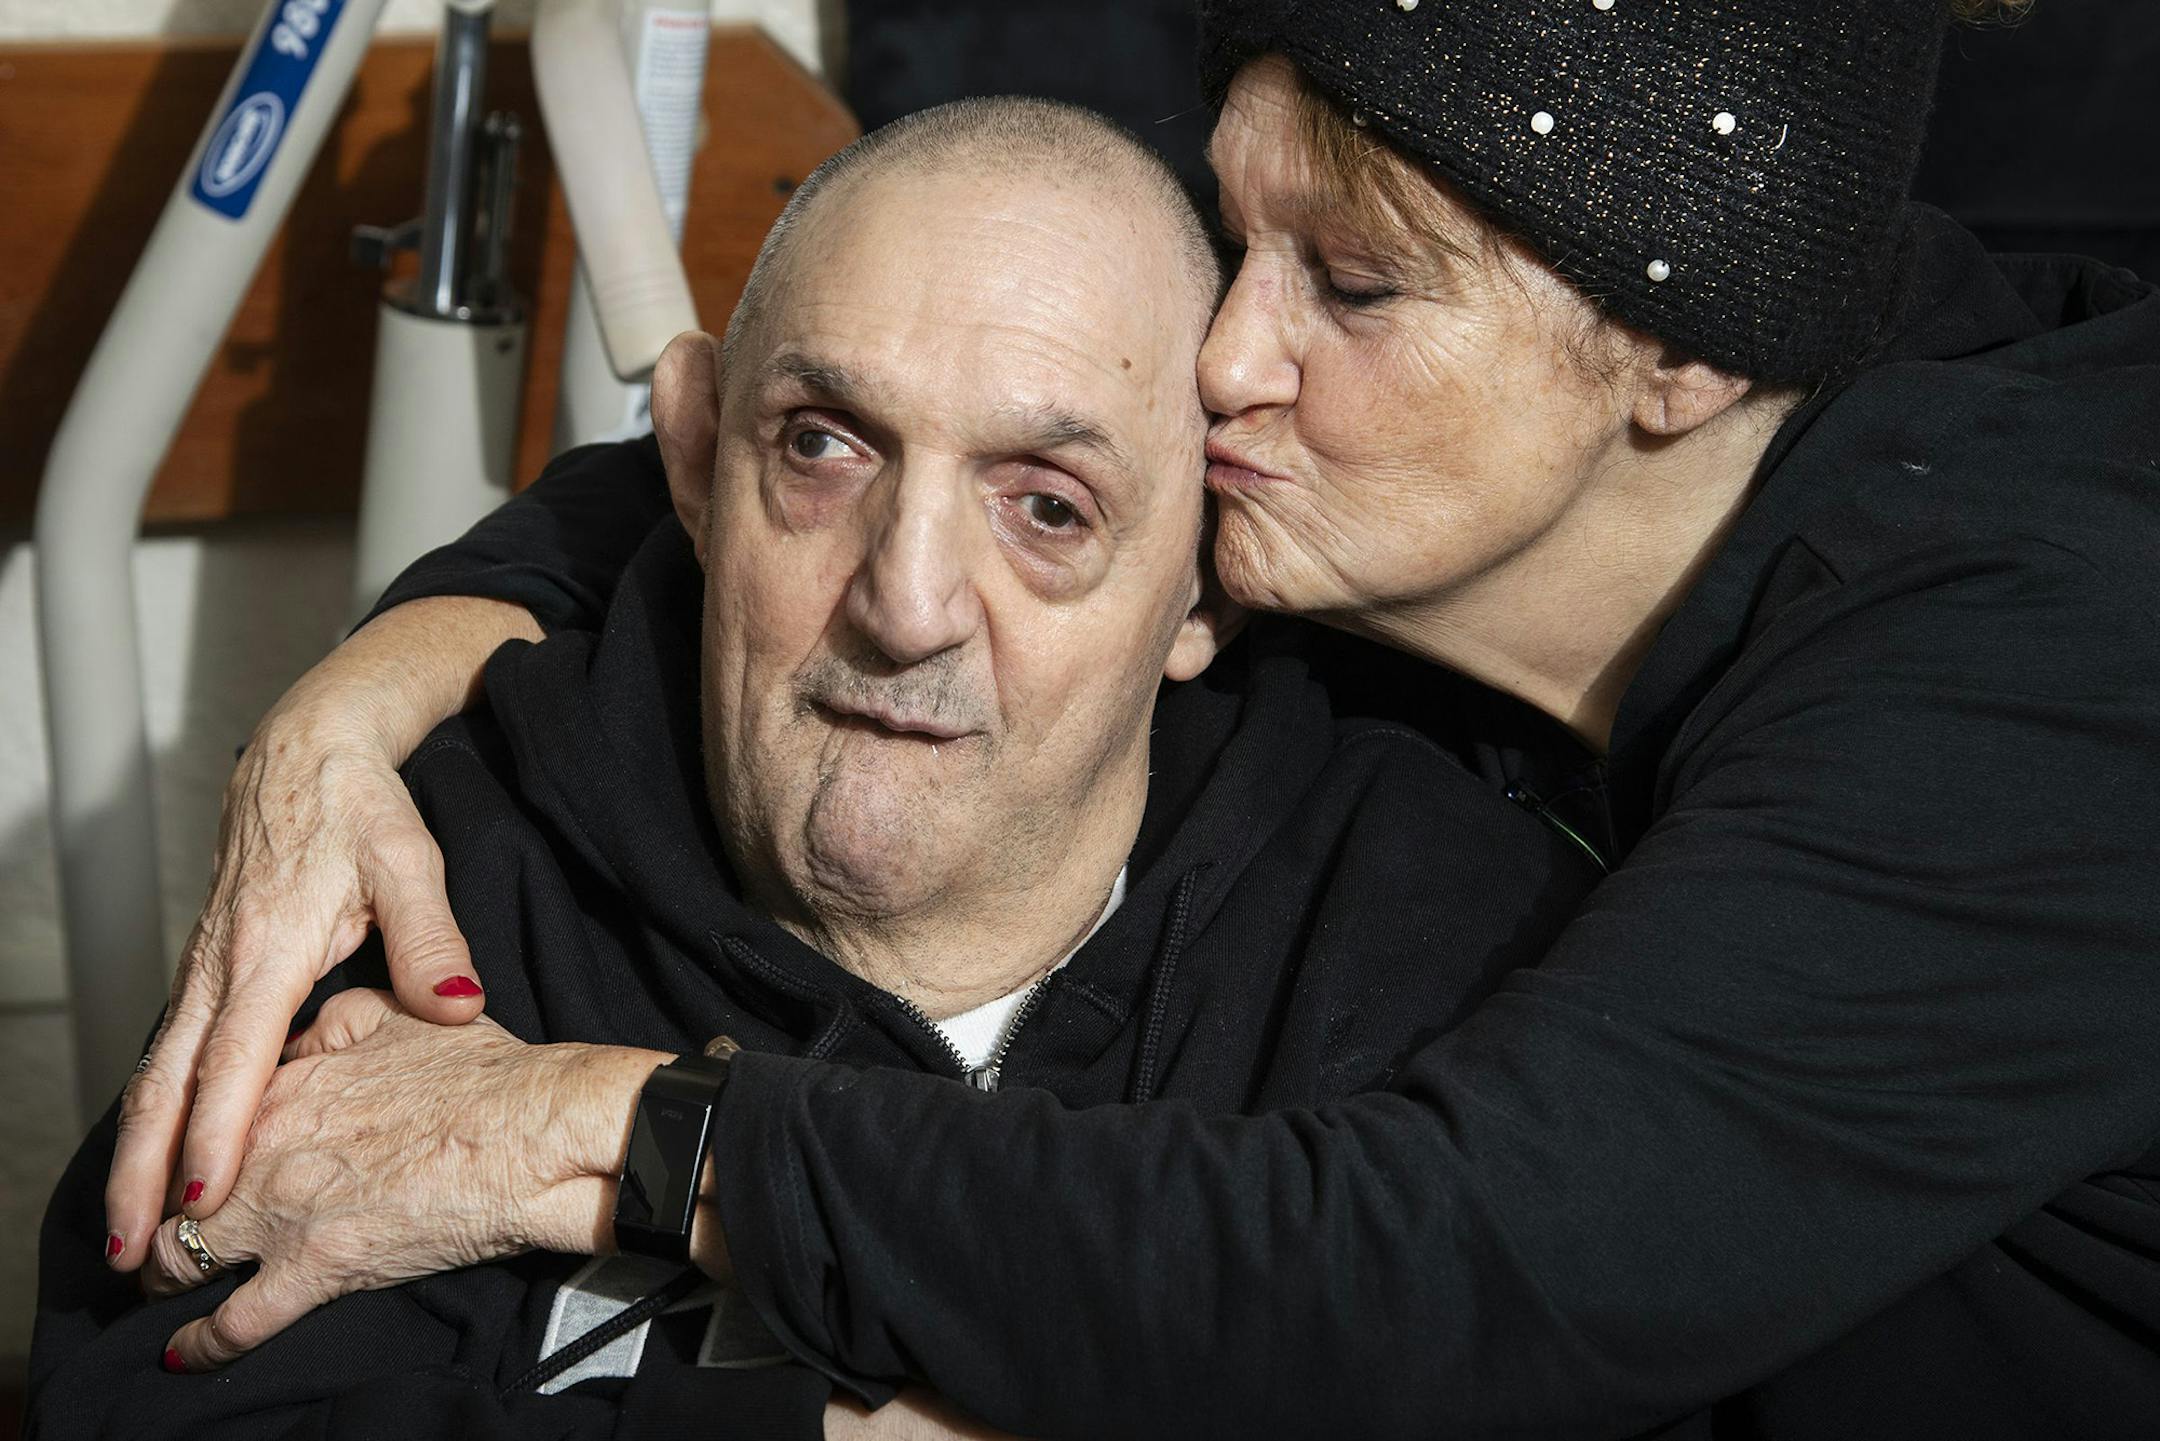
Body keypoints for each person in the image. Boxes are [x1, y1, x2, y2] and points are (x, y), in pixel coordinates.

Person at [76, 0, 2160, 1436]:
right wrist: (372, 685)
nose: (1225, 356)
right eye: (1236, 229)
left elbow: (1423, 1289)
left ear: (1674, 361)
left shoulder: (2033, 678)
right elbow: (897, 433)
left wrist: (612, 1129)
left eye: (1346, 286)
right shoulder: (1477, 503)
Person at [30, 98, 1594, 1439]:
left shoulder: (1433, 939)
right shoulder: (413, 911)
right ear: (700, 464)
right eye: (824, 445)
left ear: (1204, 588)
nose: (907, 603)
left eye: (1047, 507)